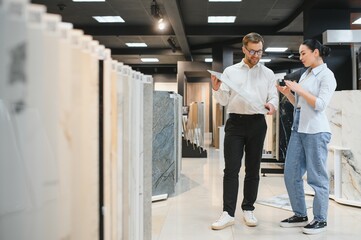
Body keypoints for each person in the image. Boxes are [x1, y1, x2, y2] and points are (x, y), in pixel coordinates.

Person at [211, 32, 279, 230]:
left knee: (252, 168)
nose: (256, 55)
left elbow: (273, 97)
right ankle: (228, 213)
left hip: (257, 123)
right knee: (231, 168)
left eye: (259, 51)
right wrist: (216, 89)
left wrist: (272, 105)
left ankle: (248, 208)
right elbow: (224, 100)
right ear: (243, 49)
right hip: (235, 124)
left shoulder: (267, 73)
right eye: (252, 51)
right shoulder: (231, 71)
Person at [277, 39, 337, 235]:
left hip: (316, 132)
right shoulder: (305, 75)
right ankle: (300, 214)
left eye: (304, 53)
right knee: (291, 174)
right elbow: (301, 105)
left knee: (317, 177)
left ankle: (320, 219)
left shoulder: (327, 76)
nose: (300, 57)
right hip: (299, 129)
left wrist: (300, 90)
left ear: (316, 52)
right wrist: (289, 94)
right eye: (300, 53)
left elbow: (320, 105)